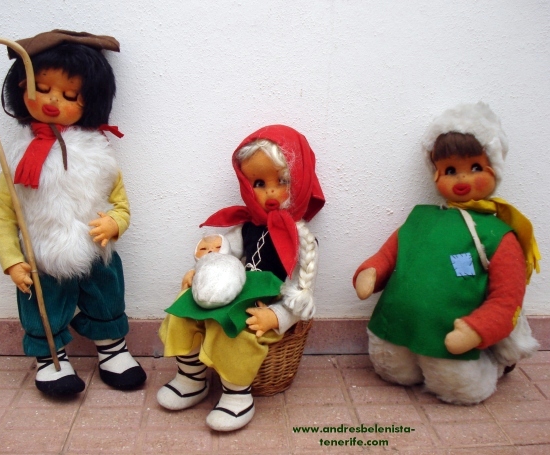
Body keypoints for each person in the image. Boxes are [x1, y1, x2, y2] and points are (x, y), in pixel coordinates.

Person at [0, 30, 146, 396]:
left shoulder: (98, 155)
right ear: (21, 88)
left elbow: (121, 204)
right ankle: (50, 359)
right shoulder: (17, 160)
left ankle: (112, 349)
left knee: (106, 296)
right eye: (42, 89)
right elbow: (1, 215)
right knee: (43, 306)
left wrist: (115, 223)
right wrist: (12, 260)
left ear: (90, 100)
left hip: (95, 249)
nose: (52, 101)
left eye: (70, 95)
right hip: (41, 257)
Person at [353, 102, 540, 404]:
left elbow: (507, 297)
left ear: (494, 168)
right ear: (437, 173)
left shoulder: (497, 234)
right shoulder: (421, 219)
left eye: (475, 167)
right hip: (397, 329)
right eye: (450, 170)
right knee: (394, 371)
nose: (462, 179)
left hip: (451, 336)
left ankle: (491, 366)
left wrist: (477, 329)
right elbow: (389, 254)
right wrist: (371, 272)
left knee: (458, 386)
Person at [158, 124, 325, 431]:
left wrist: (277, 316)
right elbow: (225, 252)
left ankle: (237, 394)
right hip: (233, 290)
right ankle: (191, 378)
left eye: (283, 181)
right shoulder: (245, 227)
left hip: (264, 304)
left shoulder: (303, 242)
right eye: (259, 183)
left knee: (237, 329)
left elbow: (302, 294)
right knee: (184, 309)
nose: (270, 192)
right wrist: (202, 269)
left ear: (300, 182)